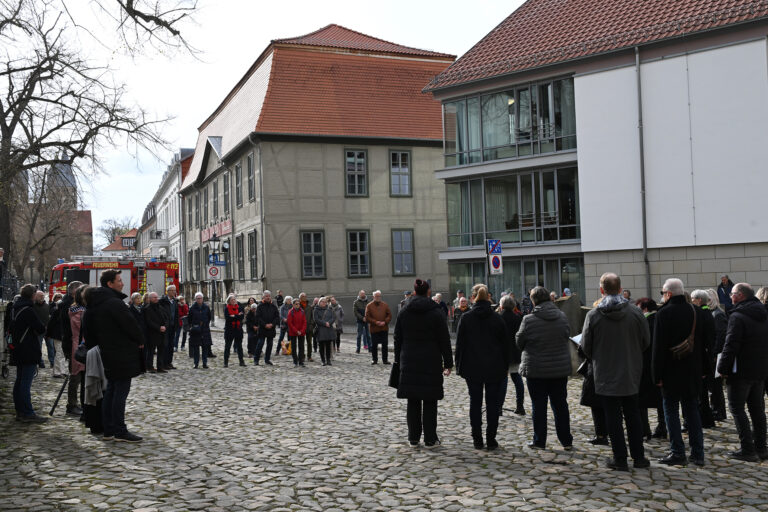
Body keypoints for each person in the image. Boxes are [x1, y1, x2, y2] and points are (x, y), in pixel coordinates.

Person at [582, 273, 650, 471]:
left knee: (612, 417)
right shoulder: (636, 313)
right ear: (621, 289)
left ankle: (620, 458)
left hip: (604, 372)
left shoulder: (593, 315)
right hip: (630, 370)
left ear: (601, 290)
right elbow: (646, 341)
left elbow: (586, 346)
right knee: (633, 415)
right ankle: (639, 457)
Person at [652, 278, 708, 466]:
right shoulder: (696, 312)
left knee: (671, 412)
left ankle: (677, 452)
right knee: (692, 411)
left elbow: (658, 348)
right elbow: (704, 344)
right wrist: (704, 370)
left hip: (670, 371)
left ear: (668, 294)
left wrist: (656, 374)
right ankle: (698, 453)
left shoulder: (663, 314)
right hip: (693, 370)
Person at [394, 278, 453, 448]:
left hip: (409, 361)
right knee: (430, 401)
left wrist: (398, 359)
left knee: (412, 400)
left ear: (414, 292)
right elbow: (444, 339)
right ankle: (430, 438)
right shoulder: (436, 312)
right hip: (431, 361)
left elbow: (397, 337)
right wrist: (448, 362)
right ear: (428, 292)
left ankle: (413, 438)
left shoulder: (404, 311)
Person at [86, 270, 144, 442]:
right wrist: (140, 339)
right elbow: (130, 325)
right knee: (120, 392)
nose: (122, 283)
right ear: (110, 284)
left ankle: (109, 430)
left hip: (108, 351)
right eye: (119, 280)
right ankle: (119, 430)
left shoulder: (96, 302)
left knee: (111, 390)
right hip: (121, 352)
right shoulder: (114, 303)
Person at [516, 286, 573, 450]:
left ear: (533, 301)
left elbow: (519, 342)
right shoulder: (562, 317)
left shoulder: (528, 320)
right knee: (560, 405)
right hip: (559, 369)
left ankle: (540, 440)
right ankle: (566, 440)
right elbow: (565, 335)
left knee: (538, 406)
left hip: (536, 369)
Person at [717, 283, 768, 462]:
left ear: (739, 295)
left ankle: (747, 449)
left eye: (732, 294)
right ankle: (761, 447)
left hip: (741, 371)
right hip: (760, 369)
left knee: (737, 409)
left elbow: (731, 344)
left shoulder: (738, 316)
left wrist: (722, 368)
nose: (730, 297)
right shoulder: (763, 313)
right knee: (757, 409)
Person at [455, 284, 510, 450]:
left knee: (475, 403)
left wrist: (459, 366)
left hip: (472, 367)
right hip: (494, 367)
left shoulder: (466, 318)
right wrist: (505, 366)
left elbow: (460, 345)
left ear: (473, 298)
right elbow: (506, 345)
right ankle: (491, 439)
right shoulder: (497, 318)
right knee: (492, 404)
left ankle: (477, 439)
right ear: (489, 298)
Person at [10, 284, 47, 422]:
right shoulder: (28, 310)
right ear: (32, 295)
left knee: (19, 381)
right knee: (25, 382)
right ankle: (27, 412)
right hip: (28, 349)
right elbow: (40, 328)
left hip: (17, 347)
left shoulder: (15, 308)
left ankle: (20, 411)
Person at [635, 298, 666, 440]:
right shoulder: (662, 319)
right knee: (661, 400)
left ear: (645, 309)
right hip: (660, 365)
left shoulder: (644, 322)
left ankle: (643, 429)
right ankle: (662, 426)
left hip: (644, 365)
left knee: (641, 400)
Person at [690, 289, 717, 428]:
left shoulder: (701, 314)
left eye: (693, 298)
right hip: (707, 356)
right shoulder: (707, 314)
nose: (691, 300)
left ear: (699, 300)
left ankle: (704, 419)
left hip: (702, 357)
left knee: (702, 393)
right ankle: (707, 419)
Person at [498, 295, 525, 415]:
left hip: (501, 354)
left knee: (502, 381)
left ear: (501, 305)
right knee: (517, 379)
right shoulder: (518, 318)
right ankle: (520, 406)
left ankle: (499, 407)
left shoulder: (498, 318)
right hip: (515, 353)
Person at [706, 288, 728, 420]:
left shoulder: (717, 314)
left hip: (716, 355)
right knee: (713, 385)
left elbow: (721, 336)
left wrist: (715, 353)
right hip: (714, 353)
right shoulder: (713, 313)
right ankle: (717, 410)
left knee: (716, 386)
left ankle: (718, 411)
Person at [67, 285, 88, 416]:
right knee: (76, 377)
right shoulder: (79, 312)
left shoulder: (79, 310)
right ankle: (72, 404)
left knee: (82, 377)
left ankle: (79, 403)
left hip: (80, 344)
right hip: (79, 345)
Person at [143, 292, 168, 373]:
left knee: (161, 350)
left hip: (162, 333)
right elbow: (148, 321)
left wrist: (165, 326)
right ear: (149, 298)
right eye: (154, 297)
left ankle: (160, 367)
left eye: (157, 297)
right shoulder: (147, 308)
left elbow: (166, 318)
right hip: (152, 333)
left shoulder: (160, 307)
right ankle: (149, 367)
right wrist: (158, 328)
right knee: (151, 351)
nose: (156, 299)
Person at [365, 290, 392, 365]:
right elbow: (367, 317)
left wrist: (385, 321)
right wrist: (375, 322)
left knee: (385, 345)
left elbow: (389, 315)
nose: (378, 297)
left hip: (384, 328)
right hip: (374, 329)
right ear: (373, 297)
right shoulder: (369, 306)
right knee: (374, 345)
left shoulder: (385, 305)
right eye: (376, 296)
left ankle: (385, 360)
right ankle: (374, 360)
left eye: (379, 296)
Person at [254, 290, 279, 366]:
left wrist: (272, 324)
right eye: (266, 296)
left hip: (271, 329)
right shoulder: (260, 306)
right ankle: (256, 360)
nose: (268, 297)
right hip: (262, 328)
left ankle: (267, 359)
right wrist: (265, 325)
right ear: (263, 297)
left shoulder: (273, 306)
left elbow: (277, 317)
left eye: (269, 296)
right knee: (260, 344)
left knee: (270, 345)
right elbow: (258, 317)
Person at [188, 292, 211, 369]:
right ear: (195, 299)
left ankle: (205, 363)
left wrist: (205, 324)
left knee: (205, 348)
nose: (199, 300)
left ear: (202, 299)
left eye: (200, 298)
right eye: (198, 298)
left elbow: (209, 317)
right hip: (195, 330)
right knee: (196, 348)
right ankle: (196, 363)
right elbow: (189, 319)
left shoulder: (206, 307)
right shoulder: (192, 308)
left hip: (205, 330)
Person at [46, 292, 67, 378]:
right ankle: (58, 371)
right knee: (59, 352)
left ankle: (61, 370)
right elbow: (51, 324)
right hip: (58, 334)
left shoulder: (59, 312)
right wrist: (48, 334)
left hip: (60, 334)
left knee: (61, 353)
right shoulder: (56, 312)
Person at [158, 285, 178, 370]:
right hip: (166, 326)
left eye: (175, 290)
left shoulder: (175, 301)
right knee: (165, 345)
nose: (174, 292)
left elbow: (176, 313)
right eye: (172, 290)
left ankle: (169, 362)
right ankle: (163, 363)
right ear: (168, 291)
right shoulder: (162, 301)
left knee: (171, 345)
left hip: (173, 326)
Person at [223, 294, 245, 367]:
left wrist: (234, 316)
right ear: (229, 301)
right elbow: (228, 318)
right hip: (229, 330)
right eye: (232, 300)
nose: (234, 301)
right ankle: (225, 362)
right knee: (227, 347)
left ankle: (241, 361)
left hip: (238, 329)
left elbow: (241, 317)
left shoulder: (239, 307)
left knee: (239, 347)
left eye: (234, 299)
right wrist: (237, 316)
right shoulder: (226, 308)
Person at [313, 297, 336, 366]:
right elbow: (316, 319)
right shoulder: (316, 310)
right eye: (322, 302)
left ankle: (328, 360)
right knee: (321, 346)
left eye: (325, 302)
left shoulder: (329, 309)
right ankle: (323, 360)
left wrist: (329, 322)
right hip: (321, 329)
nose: (324, 303)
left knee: (328, 346)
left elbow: (333, 317)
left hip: (328, 329)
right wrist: (324, 323)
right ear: (319, 302)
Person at [32, 291, 51, 369]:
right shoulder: (33, 306)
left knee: (50, 346)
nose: (42, 297)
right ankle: (40, 362)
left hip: (47, 329)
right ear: (36, 296)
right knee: (38, 347)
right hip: (38, 329)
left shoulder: (47, 306)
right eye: (40, 296)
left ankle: (52, 362)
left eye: (43, 296)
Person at [287, 298, 307, 367]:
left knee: (301, 347)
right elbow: (290, 323)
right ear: (293, 305)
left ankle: (301, 361)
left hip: (301, 332)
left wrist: (301, 331)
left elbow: (304, 322)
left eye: (299, 304)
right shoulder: (290, 312)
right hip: (293, 332)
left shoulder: (302, 311)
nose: (298, 305)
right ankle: (295, 361)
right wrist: (296, 331)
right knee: (294, 347)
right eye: (296, 304)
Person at [299, 293, 314, 361]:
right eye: (302, 296)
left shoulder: (309, 307)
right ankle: (302, 356)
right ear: (300, 298)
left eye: (305, 296)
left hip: (309, 327)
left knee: (309, 343)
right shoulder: (298, 306)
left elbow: (312, 317)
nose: (304, 297)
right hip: (301, 327)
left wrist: (311, 324)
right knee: (301, 343)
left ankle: (309, 356)